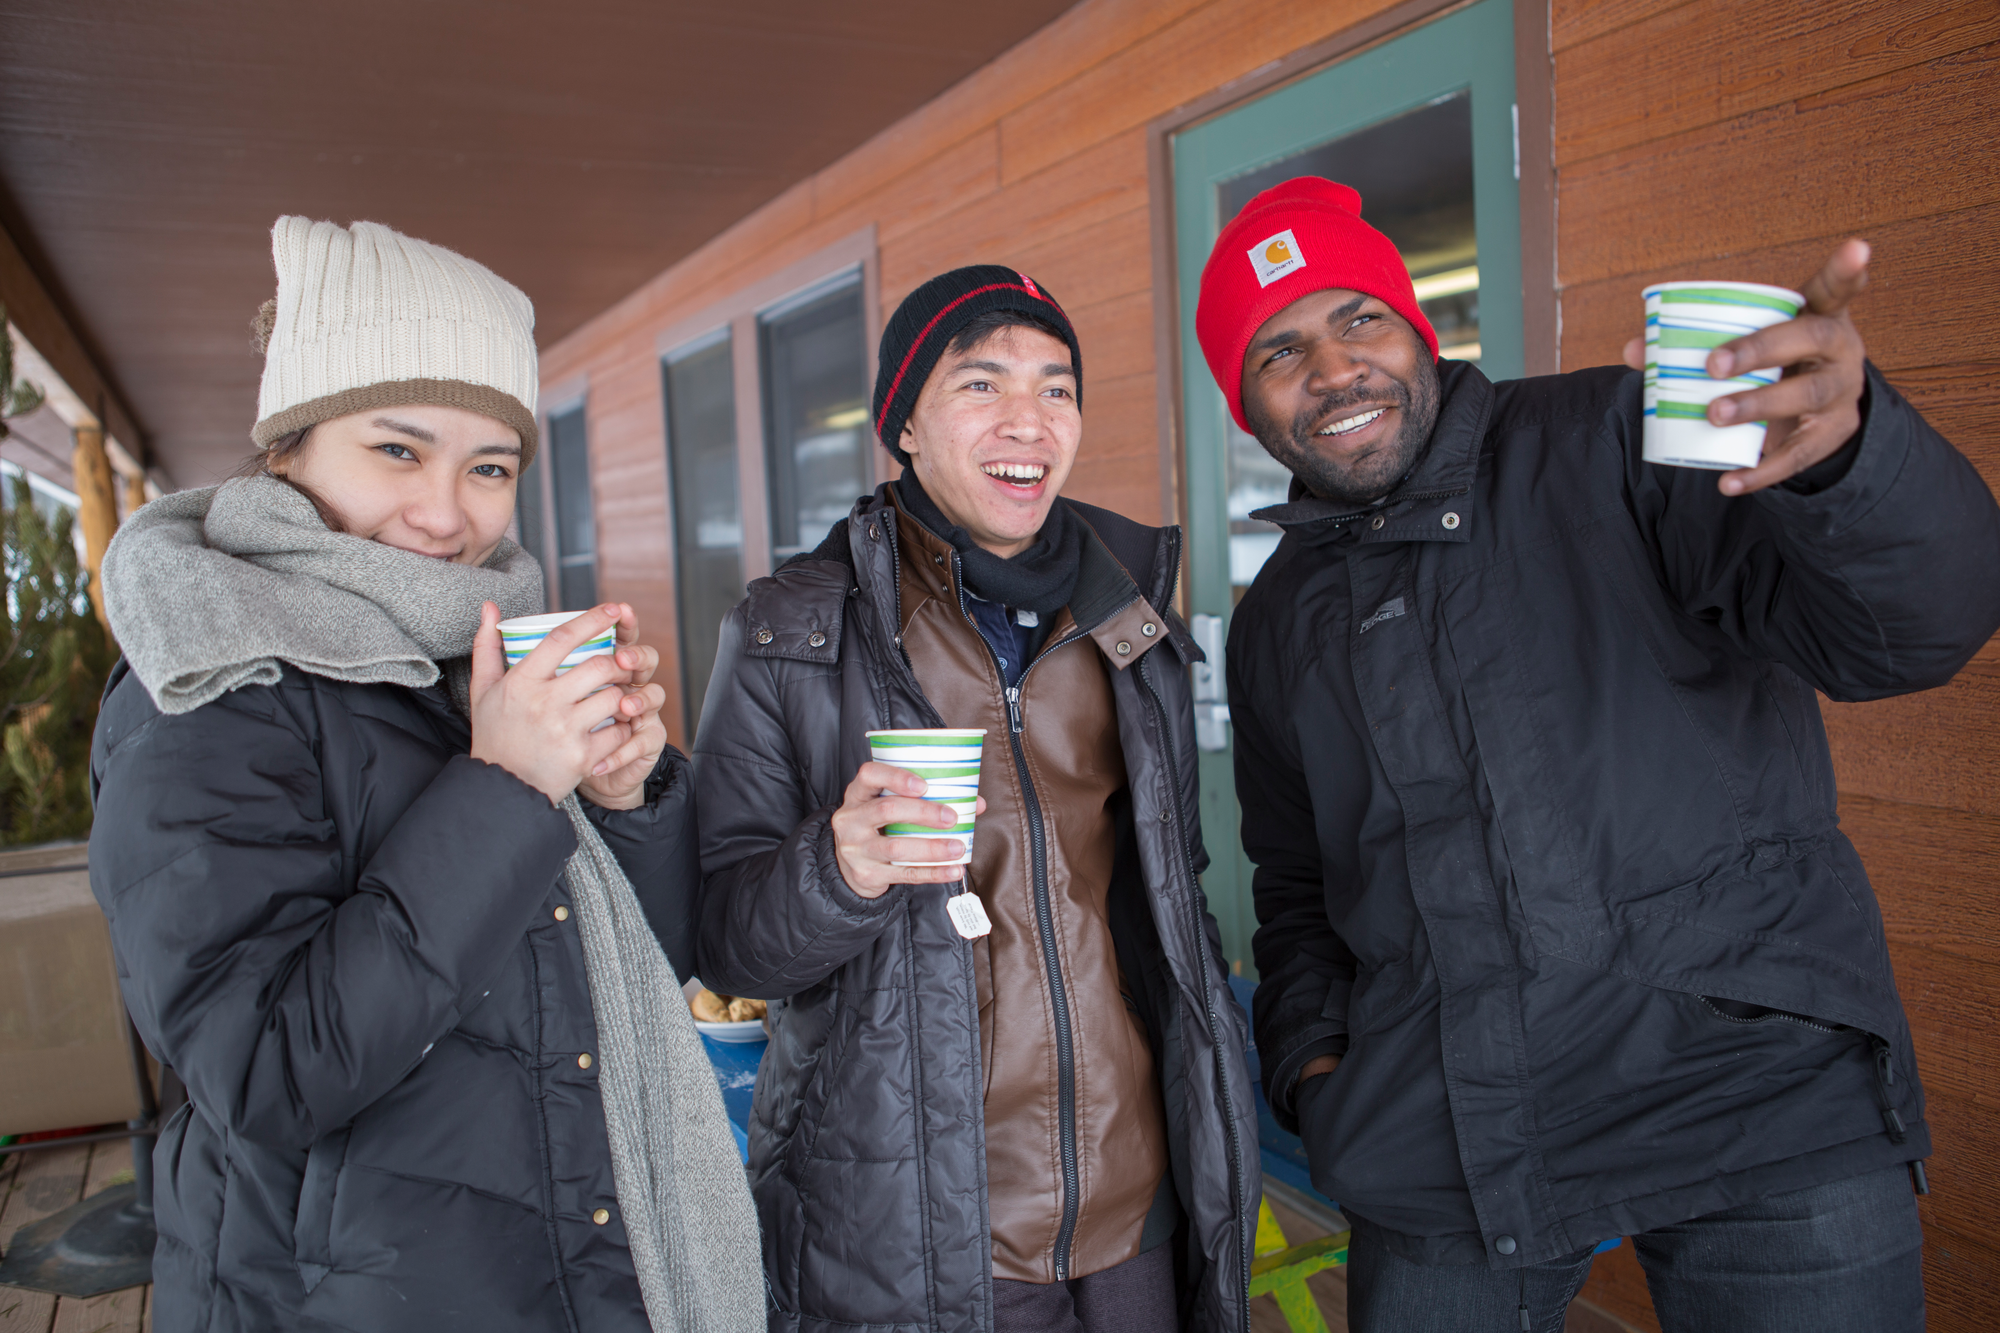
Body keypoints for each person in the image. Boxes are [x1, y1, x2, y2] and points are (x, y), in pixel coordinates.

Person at [1198, 178, 2000, 1332]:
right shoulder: (1279, 615)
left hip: (1750, 1098)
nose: (1331, 370)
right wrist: (1316, 1072)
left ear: (1416, 331)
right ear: (1247, 403)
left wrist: (1844, 458)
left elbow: (1911, 629)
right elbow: (1297, 884)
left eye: (1356, 319)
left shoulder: (1611, 441)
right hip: (1446, 1132)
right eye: (1278, 350)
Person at [89, 217, 761, 1333]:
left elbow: (658, 963)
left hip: (565, 1265)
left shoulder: (478, 651)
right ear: (289, 447)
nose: (447, 512)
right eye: (397, 449)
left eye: (487, 466)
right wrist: (503, 787)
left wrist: (622, 799)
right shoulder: (210, 678)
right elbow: (264, 1072)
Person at [692, 266, 1256, 1333]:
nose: (1026, 421)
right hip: (922, 1213)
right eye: (981, 383)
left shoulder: (1126, 617)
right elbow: (724, 941)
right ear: (902, 423)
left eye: (1054, 387)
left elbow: (1168, 889)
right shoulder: (791, 632)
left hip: (1139, 1195)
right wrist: (838, 868)